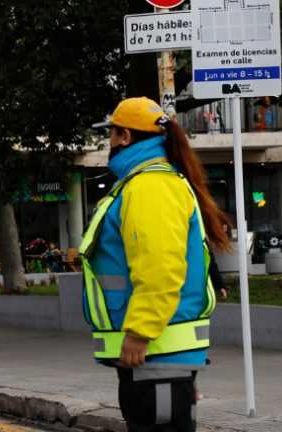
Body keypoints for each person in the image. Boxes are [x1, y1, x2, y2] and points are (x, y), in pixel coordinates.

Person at [81, 97, 232, 431]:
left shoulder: (149, 186)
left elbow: (160, 265)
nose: (109, 142)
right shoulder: (150, 181)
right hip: (158, 358)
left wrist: (141, 330)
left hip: (155, 354)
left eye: (112, 134)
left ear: (125, 137)